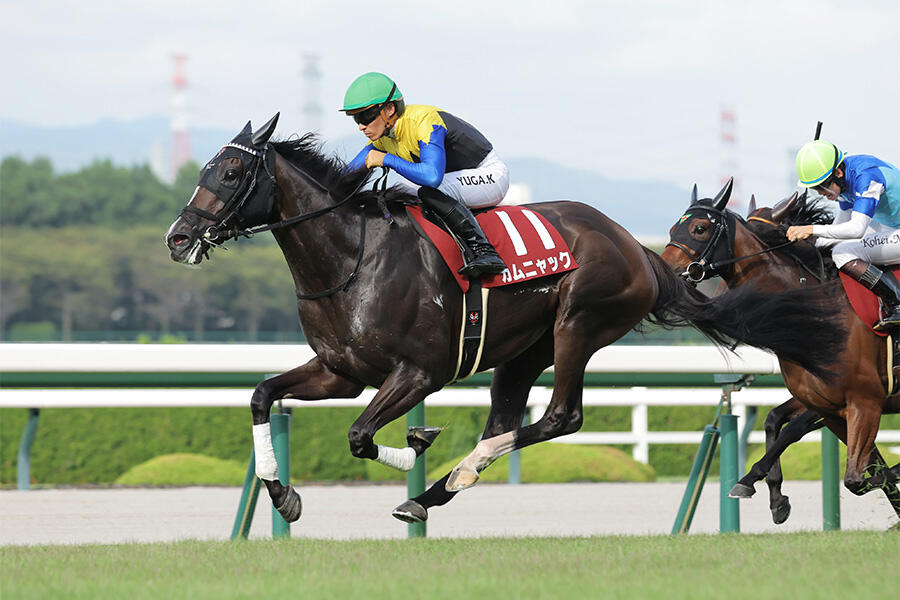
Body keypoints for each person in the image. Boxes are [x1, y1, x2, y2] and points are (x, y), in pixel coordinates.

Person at [340, 72, 508, 277]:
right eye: (356, 118)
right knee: (397, 192)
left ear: (389, 109)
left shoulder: (424, 121)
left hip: (489, 174)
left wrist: (386, 159)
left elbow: (432, 177)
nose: (361, 126)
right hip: (454, 178)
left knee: (426, 191)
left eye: (366, 116)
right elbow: (344, 177)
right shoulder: (384, 135)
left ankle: (485, 251)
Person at [787, 139, 900, 330]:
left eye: (822, 186)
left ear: (838, 173)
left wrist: (811, 229)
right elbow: (840, 227)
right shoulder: (846, 182)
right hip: (891, 226)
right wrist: (808, 243)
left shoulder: (866, 177)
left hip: (892, 227)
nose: (821, 193)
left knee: (842, 253)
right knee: (834, 246)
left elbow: (856, 229)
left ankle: (896, 302)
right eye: (816, 189)